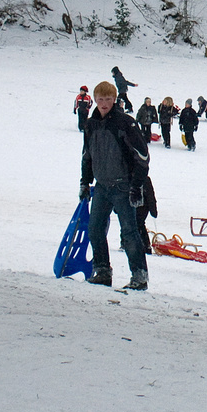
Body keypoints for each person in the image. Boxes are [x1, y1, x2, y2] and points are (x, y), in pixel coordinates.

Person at [79, 81, 150, 290]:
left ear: (114, 100)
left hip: (123, 186)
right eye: (100, 100)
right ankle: (102, 270)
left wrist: (136, 186)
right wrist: (85, 182)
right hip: (101, 186)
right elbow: (87, 156)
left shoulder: (125, 123)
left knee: (129, 232)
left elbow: (142, 157)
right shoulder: (91, 125)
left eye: (108, 100)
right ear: (95, 100)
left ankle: (139, 275)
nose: (103, 104)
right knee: (95, 229)